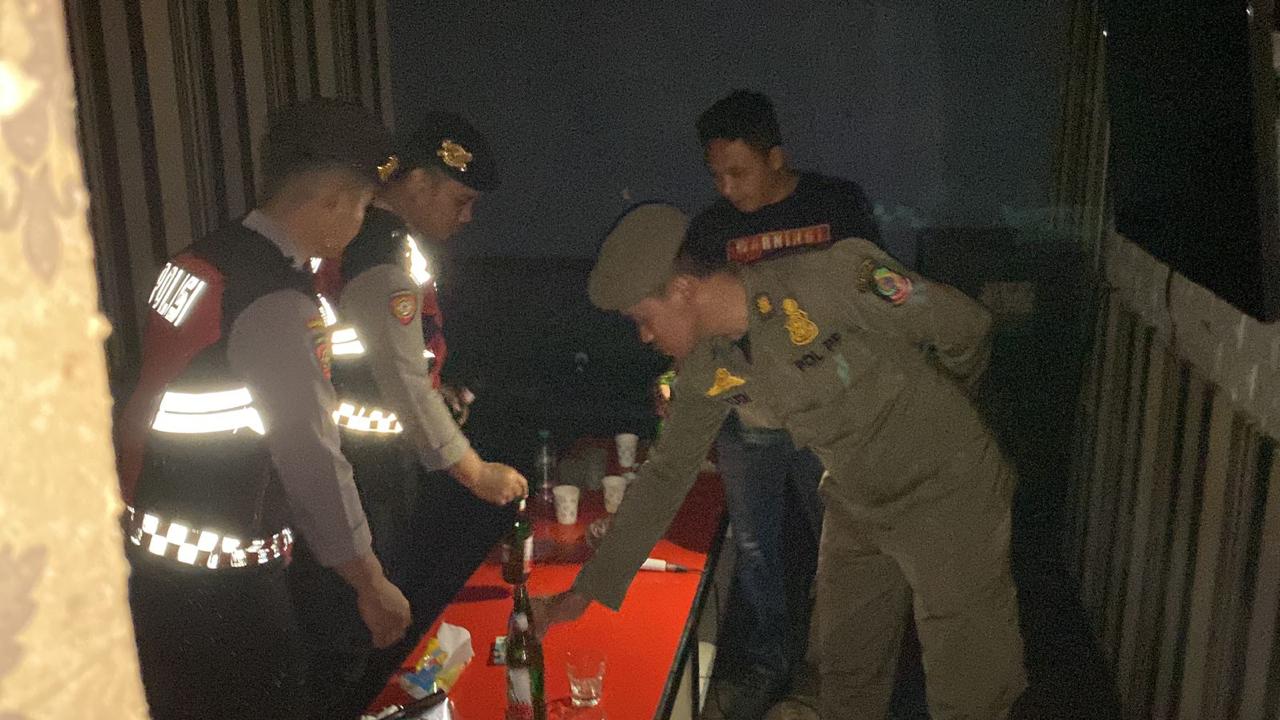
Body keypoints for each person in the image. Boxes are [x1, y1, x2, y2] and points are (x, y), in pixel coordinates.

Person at [537, 204, 1026, 720]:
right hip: (855, 500)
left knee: (970, 687)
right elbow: (665, 475)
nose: (643, 336)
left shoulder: (830, 280)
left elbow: (965, 326)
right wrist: (587, 590)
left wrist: (947, 415)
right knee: (842, 677)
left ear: (682, 289)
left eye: (643, 318)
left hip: (944, 488)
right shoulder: (706, 366)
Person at [113, 99, 411, 720]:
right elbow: (310, 455)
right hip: (227, 589)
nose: (360, 223)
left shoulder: (197, 261)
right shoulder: (275, 300)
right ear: (331, 202)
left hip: (156, 557)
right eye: (361, 206)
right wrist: (369, 580)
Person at [294, 112, 528, 716]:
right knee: (363, 625)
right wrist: (475, 471)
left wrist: (437, 391)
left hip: (360, 456)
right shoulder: (380, 251)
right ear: (419, 183)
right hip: (363, 468)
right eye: (461, 200)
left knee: (368, 619)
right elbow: (401, 380)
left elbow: (392, 362)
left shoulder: (377, 241)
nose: (467, 217)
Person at [684, 89, 881, 717]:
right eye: (716, 174)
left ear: (776, 157)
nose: (727, 187)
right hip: (751, 419)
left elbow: (872, 296)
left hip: (828, 414)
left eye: (738, 172)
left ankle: (833, 672)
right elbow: (693, 323)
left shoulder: (836, 205)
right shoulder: (712, 229)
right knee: (755, 550)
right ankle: (769, 663)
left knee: (840, 547)